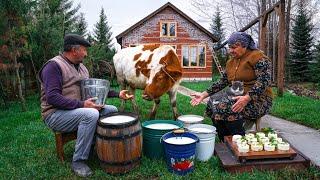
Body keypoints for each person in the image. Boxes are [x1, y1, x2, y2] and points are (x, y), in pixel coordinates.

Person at [39, 34, 133, 177]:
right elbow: (52, 98)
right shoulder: (53, 66)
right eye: (84, 49)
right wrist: (83, 104)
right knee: (91, 114)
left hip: (77, 110)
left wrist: (117, 94)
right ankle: (78, 161)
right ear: (74, 50)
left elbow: (93, 89)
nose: (86, 53)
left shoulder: (82, 68)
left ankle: (96, 146)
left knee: (111, 110)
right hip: (55, 114)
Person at [190, 32, 273, 141]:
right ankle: (224, 141)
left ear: (244, 45)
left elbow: (264, 81)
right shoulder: (231, 62)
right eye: (229, 47)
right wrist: (203, 95)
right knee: (213, 102)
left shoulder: (258, 57)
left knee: (226, 106)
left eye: (234, 47)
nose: (231, 51)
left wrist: (246, 98)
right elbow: (222, 81)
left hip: (259, 99)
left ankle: (238, 140)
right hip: (237, 94)